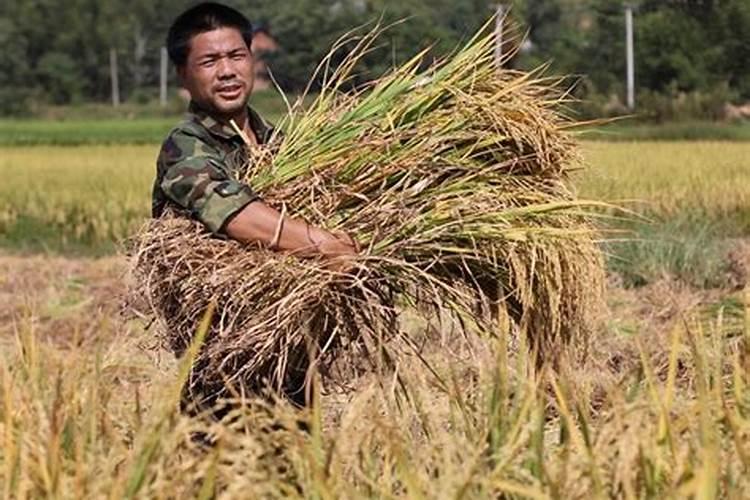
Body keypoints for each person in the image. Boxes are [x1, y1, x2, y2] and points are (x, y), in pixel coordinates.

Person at [153, 2, 357, 419]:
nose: (226, 71)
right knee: (222, 473)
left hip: (293, 353)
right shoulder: (186, 146)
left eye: (236, 56)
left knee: (300, 473)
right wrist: (328, 247)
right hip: (224, 364)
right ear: (183, 75)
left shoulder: (280, 144)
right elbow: (235, 213)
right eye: (209, 61)